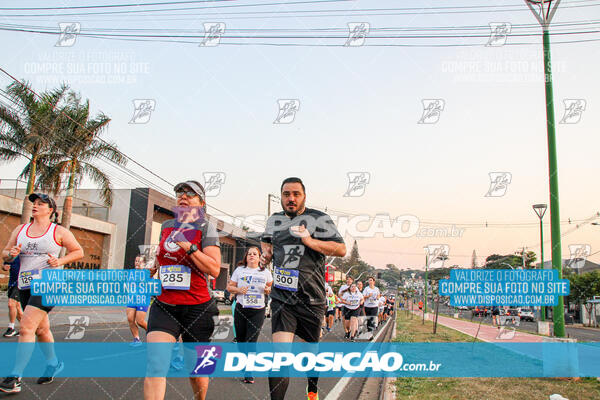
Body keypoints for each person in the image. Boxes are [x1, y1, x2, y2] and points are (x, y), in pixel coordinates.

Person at [261, 177, 346, 400]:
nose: (291, 198)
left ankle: (312, 389)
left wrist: (309, 241)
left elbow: (341, 249)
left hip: (312, 299)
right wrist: (266, 253)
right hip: (282, 298)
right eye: (286, 194)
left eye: (295, 194)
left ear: (304, 197)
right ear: (280, 197)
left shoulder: (318, 219)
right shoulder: (275, 220)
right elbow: (267, 241)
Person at [144, 180, 220, 400]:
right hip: (165, 305)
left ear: (201, 202)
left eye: (190, 193)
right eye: (179, 193)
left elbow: (214, 269)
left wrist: (189, 247)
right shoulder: (167, 225)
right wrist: (152, 269)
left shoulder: (206, 227)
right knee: (156, 365)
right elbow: (164, 259)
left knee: (197, 372)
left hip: (198, 308)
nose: (183, 196)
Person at [0, 193, 84, 393]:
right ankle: (53, 363)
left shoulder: (58, 231)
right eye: (34, 203)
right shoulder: (21, 230)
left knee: (27, 326)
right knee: (41, 330)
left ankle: (15, 377)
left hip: (50, 284)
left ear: (51, 210)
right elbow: (5, 252)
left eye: (40, 204)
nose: (35, 206)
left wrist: (60, 261)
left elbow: (78, 251)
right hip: (26, 284)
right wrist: (10, 255)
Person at [227, 246, 273, 384]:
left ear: (259, 257)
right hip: (241, 308)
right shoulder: (239, 271)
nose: (252, 256)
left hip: (258, 310)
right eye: (249, 254)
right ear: (246, 257)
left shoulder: (265, 272)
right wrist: (238, 289)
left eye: (255, 254)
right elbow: (229, 287)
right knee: (241, 342)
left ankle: (249, 371)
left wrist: (267, 290)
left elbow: (270, 287)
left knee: (251, 341)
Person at [126, 256, 149, 346]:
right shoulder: (131, 272)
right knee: (130, 319)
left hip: (142, 299)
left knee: (140, 321)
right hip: (132, 299)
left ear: (144, 263)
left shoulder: (147, 273)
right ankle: (137, 339)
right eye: (136, 261)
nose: (137, 263)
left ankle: (154, 334)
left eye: (139, 261)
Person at [3, 257, 23, 337]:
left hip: (20, 284)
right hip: (11, 284)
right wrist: (4, 267)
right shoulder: (12, 255)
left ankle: (11, 328)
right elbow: (4, 265)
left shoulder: (27, 255)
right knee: (17, 308)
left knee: (11, 304)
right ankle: (26, 327)